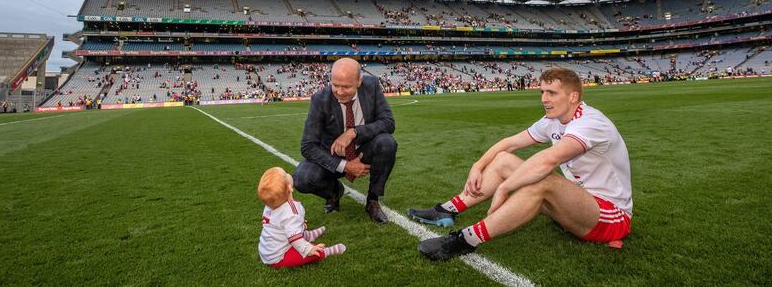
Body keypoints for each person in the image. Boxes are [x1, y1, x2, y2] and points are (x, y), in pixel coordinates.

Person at [409, 67, 633, 260]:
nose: (544, 99)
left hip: (610, 216)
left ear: (573, 97)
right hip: (577, 203)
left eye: (552, 93)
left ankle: (465, 240)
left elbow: (548, 159)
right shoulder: (552, 120)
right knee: (503, 160)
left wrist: (506, 188)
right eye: (542, 92)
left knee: (543, 181)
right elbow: (509, 144)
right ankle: (447, 210)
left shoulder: (590, 121)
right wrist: (477, 165)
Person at [293, 58, 397, 224]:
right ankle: (334, 191)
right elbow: (307, 146)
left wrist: (353, 132)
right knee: (302, 178)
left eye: (346, 86)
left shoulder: (372, 86)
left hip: (363, 150)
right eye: (335, 85)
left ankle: (373, 200)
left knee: (387, 143)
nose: (339, 92)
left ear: (359, 82)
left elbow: (388, 122)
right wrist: (346, 166)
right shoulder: (320, 99)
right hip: (332, 156)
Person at [257, 167, 346, 268]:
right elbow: (294, 239)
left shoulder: (269, 206)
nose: (288, 174)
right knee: (310, 253)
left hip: (266, 250)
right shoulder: (290, 212)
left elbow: (284, 227)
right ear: (290, 188)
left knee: (293, 230)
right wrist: (309, 249)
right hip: (279, 257)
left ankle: (307, 235)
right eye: (286, 175)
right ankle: (326, 252)